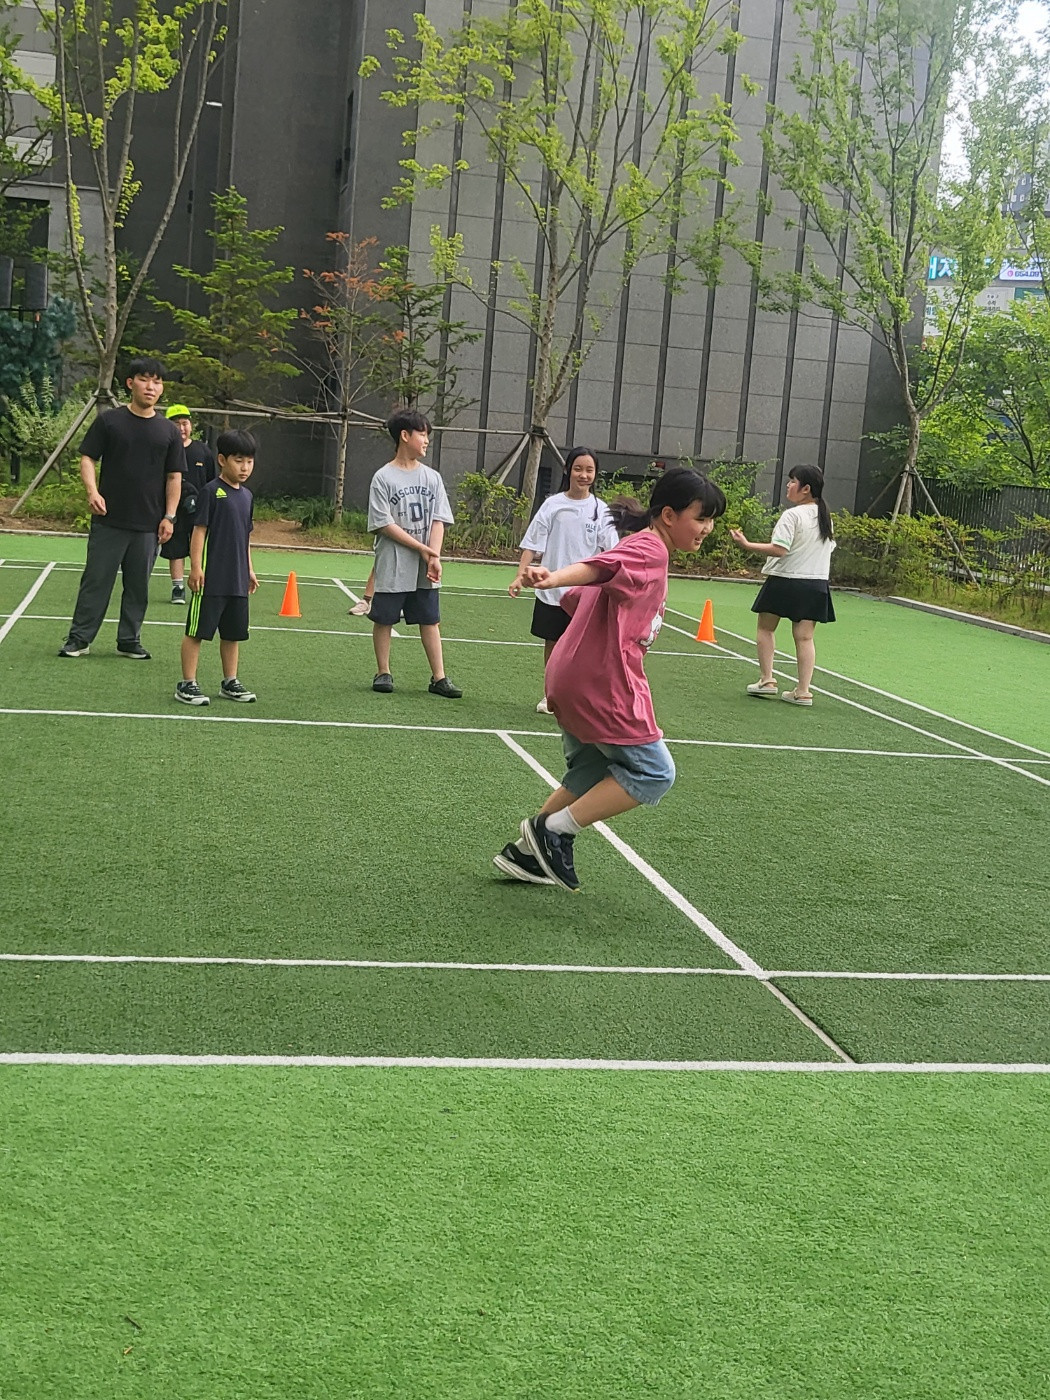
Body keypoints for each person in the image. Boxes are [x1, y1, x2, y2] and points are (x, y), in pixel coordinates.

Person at [494, 467, 727, 891]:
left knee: (593, 766)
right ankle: (554, 831)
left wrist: (571, 591)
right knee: (655, 773)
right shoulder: (650, 550)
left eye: (711, 520)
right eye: (701, 518)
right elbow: (598, 569)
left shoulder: (642, 547)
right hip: (600, 682)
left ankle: (527, 852)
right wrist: (553, 576)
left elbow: (580, 596)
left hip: (568, 675)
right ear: (669, 515)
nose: (708, 528)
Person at [58, 356, 185, 660]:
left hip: (148, 525)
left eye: (157, 381)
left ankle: (129, 640)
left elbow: (174, 477)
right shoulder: (110, 421)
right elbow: (88, 458)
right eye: (144, 379)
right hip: (109, 520)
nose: (151, 387)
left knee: (138, 587)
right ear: (130, 383)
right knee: (96, 582)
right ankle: (79, 639)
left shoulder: (168, 431)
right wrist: (92, 491)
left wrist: (169, 516)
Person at [509, 446, 618, 713]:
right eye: (578, 469)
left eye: (589, 470)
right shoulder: (553, 505)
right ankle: (551, 696)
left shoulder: (601, 511)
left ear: (596, 474)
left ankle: (582, 697)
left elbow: (613, 553)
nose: (583, 475)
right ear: (568, 470)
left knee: (585, 649)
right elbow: (533, 543)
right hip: (552, 592)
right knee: (553, 644)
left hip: (586, 595)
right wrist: (520, 576)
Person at [365, 409, 461, 698]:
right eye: (422, 434)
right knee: (385, 618)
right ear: (404, 436)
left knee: (429, 618)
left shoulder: (432, 478)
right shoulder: (383, 477)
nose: (426, 440)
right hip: (393, 561)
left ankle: (439, 677)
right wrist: (421, 548)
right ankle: (383, 672)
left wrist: (434, 556)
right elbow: (383, 523)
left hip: (424, 564)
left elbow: (439, 519)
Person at [729, 463, 836, 707]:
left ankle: (767, 680)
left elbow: (780, 549)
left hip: (785, 580)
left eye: (792, 481)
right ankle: (803, 691)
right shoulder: (825, 517)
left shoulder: (792, 515)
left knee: (765, 629)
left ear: (806, 489)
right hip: (815, 584)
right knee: (805, 638)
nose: (788, 485)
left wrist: (746, 544)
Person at [175, 429, 259, 706]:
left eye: (249, 461)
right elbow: (199, 531)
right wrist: (195, 567)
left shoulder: (247, 496)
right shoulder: (211, 492)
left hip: (236, 580)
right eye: (238, 460)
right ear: (222, 460)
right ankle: (187, 683)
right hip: (211, 579)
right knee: (197, 631)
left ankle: (230, 681)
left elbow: (245, 537)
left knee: (233, 634)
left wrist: (249, 569)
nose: (245, 467)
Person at [160, 404, 217, 604]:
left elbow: (211, 480)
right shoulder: (164, 449)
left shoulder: (202, 451)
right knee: (175, 548)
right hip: (172, 510)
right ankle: (178, 587)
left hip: (198, 511)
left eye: (184, 423)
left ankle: (199, 581)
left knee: (198, 546)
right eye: (176, 424)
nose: (181, 428)